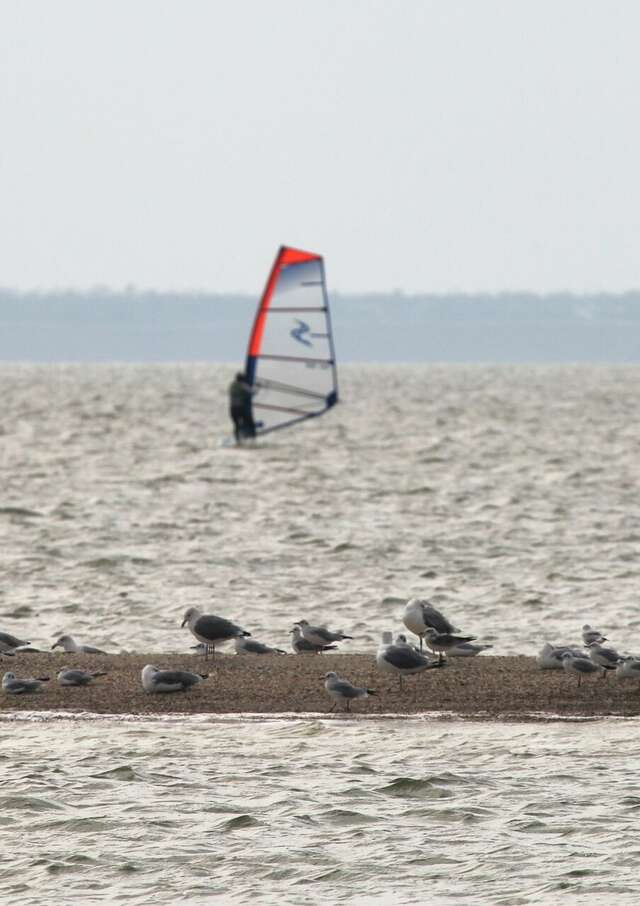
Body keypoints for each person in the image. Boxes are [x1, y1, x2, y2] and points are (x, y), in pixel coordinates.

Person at [228, 371, 256, 444]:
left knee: (237, 425)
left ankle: (238, 440)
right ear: (242, 379)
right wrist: (258, 387)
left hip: (232, 409)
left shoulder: (232, 385)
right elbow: (252, 392)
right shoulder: (242, 385)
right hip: (240, 408)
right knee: (250, 423)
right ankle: (253, 439)